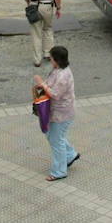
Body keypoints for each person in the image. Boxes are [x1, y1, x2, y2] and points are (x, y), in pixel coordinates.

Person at [32, 45, 79, 181]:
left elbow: (56, 94)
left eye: (51, 58)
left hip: (61, 113)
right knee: (53, 136)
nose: (50, 60)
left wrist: (42, 84)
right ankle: (70, 155)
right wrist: (43, 85)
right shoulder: (59, 70)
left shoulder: (63, 75)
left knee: (55, 140)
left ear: (56, 60)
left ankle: (59, 171)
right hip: (58, 112)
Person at [21, 0, 62, 67]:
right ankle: (48, 53)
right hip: (47, 6)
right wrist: (58, 8)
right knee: (48, 29)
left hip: (34, 6)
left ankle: (37, 60)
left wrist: (28, 2)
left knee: (36, 33)